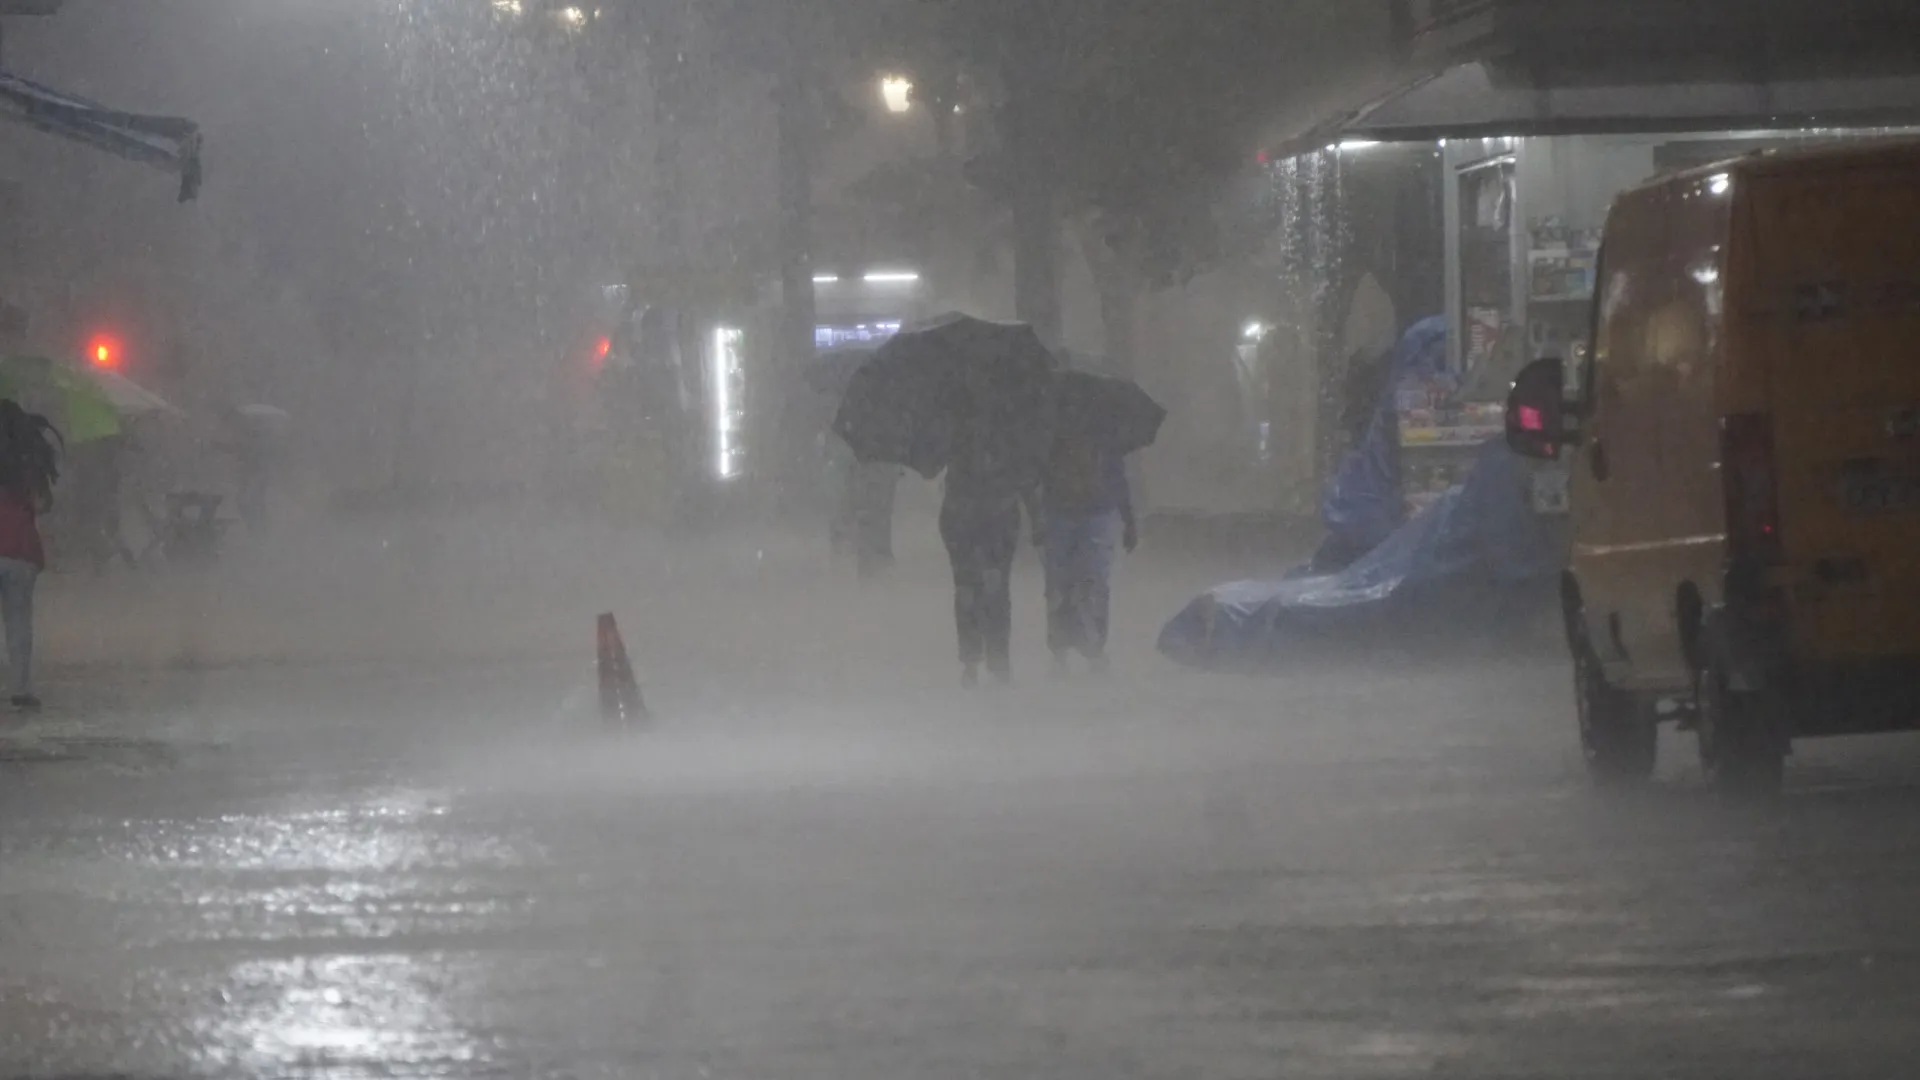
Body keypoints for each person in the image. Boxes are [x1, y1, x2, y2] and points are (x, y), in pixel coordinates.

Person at [939, 418, 1041, 687]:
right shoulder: (1010, 425)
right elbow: (1025, 479)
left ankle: (974, 660)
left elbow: (932, 465)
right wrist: (1036, 517)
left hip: (965, 517)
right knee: (992, 589)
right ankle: (995, 659)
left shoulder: (952, 423)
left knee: (969, 590)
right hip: (995, 517)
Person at [1040, 432, 1136, 674]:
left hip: (1063, 510)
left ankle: (1064, 651)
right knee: (1090, 584)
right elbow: (1116, 475)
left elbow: (1038, 471)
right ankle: (1091, 649)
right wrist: (1128, 519)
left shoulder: (1051, 425)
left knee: (1061, 584)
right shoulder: (1105, 428)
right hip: (1093, 511)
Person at [0, 400, 60, 710]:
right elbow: (42, 504)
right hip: (20, 550)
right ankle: (21, 688)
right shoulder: (28, 459)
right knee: (19, 622)